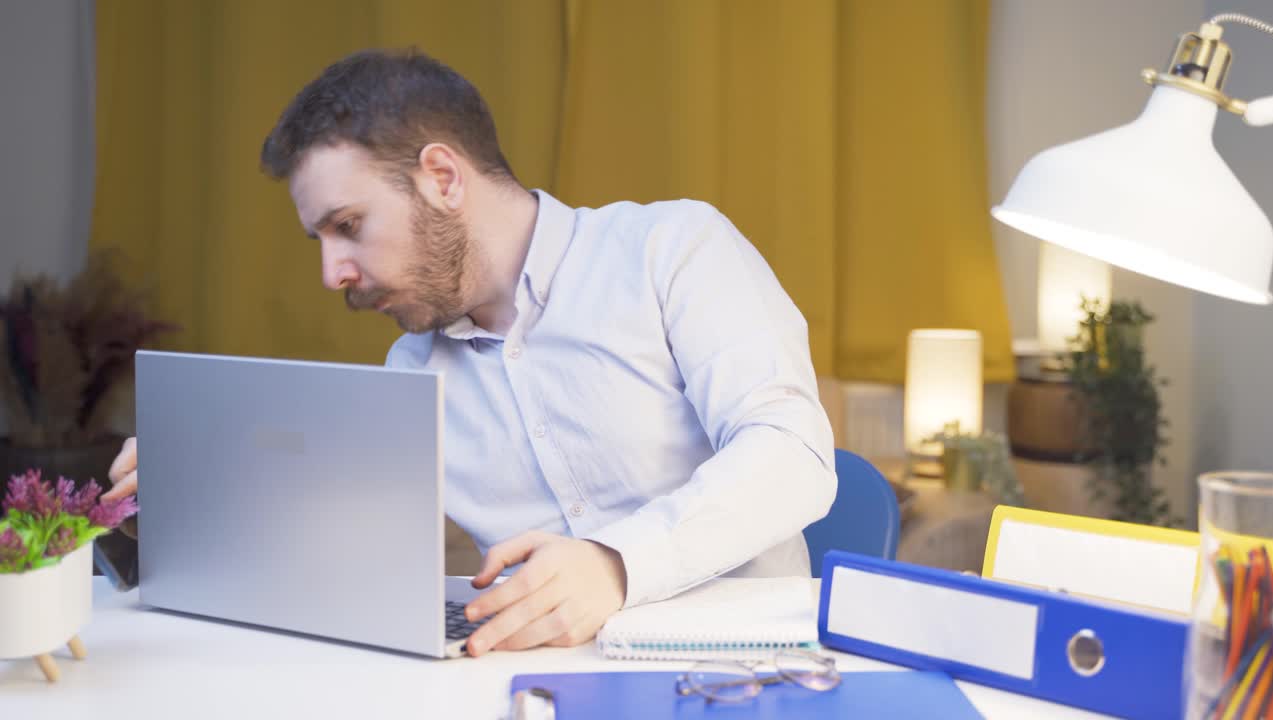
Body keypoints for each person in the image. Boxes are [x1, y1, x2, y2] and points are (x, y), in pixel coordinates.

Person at [103, 49, 836, 657]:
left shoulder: (672, 250)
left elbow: (792, 455)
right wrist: (202, 503)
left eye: (349, 225)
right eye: (320, 241)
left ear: (443, 178)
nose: (333, 274)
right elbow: (349, 557)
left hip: (745, 669)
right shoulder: (411, 372)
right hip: (531, 683)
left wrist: (617, 565)